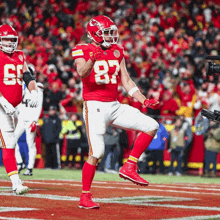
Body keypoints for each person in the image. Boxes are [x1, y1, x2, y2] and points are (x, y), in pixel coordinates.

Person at [71, 15, 159, 209]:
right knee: (97, 152)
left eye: (112, 32)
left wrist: (144, 100)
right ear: (94, 34)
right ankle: (85, 196)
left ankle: (129, 165)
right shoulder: (82, 49)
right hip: (94, 106)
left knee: (152, 125)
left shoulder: (117, 50)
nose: (111, 36)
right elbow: (82, 73)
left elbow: (126, 81)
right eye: (106, 33)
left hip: (114, 105)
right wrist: (92, 58)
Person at [0, 24, 39, 194]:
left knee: (10, 143)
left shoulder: (20, 55)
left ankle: (16, 182)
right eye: (6, 39)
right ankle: (16, 183)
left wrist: (34, 91)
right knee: (9, 143)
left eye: (12, 39)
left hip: (14, 108)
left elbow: (27, 75)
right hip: (2, 106)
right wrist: (2, 100)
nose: (9, 42)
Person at [15, 65, 44, 176]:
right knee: (11, 140)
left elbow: (38, 103)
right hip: (22, 119)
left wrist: (35, 120)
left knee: (30, 144)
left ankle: (30, 168)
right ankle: (20, 162)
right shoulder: (21, 86)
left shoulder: (37, 86)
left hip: (31, 120)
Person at [40, 105, 62, 169]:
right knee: (47, 154)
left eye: (53, 110)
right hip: (46, 140)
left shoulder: (58, 120)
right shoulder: (46, 119)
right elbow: (42, 129)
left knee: (55, 154)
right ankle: (48, 166)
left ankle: (56, 166)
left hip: (54, 140)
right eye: (50, 110)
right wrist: (44, 137)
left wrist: (54, 137)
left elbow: (59, 130)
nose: (51, 112)